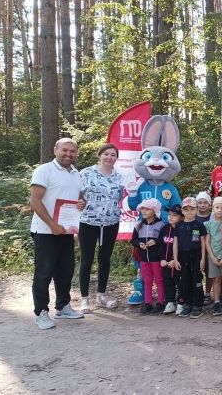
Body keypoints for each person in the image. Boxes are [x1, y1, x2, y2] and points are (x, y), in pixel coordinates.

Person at [30, 138, 84, 329]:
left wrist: (81, 203)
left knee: (65, 271)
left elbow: (77, 200)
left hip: (66, 231)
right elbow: (35, 201)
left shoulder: (77, 174)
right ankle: (41, 313)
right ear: (55, 150)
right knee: (44, 273)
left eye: (72, 151)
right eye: (64, 150)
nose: (68, 154)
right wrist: (52, 225)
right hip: (45, 231)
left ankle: (63, 307)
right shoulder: (44, 170)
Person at [77, 143, 124, 313]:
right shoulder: (86, 173)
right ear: (99, 155)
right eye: (106, 154)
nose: (109, 157)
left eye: (113, 155)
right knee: (86, 260)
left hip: (111, 222)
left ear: (116, 158)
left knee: (105, 259)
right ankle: (84, 299)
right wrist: (79, 203)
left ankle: (101, 295)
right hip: (88, 222)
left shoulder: (119, 177)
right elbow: (77, 194)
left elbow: (119, 197)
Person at [131, 199, 166, 315]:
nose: (144, 211)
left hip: (156, 258)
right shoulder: (138, 225)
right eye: (142, 209)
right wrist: (139, 244)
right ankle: (148, 303)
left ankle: (161, 302)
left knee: (159, 280)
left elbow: (164, 240)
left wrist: (155, 241)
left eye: (147, 209)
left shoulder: (161, 225)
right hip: (143, 259)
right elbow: (133, 240)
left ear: (154, 211)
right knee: (147, 281)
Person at [175, 197, 207, 319]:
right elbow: (175, 243)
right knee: (185, 280)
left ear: (196, 210)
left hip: (196, 256)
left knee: (196, 280)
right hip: (183, 256)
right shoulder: (179, 226)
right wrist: (176, 259)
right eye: (186, 209)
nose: (189, 212)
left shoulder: (198, 225)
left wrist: (203, 259)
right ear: (182, 211)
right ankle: (187, 304)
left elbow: (202, 242)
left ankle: (197, 305)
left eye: (192, 209)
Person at [205, 197, 222, 317]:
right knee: (216, 279)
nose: (220, 210)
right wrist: (211, 257)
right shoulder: (208, 224)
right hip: (213, 257)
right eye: (217, 207)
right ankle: (216, 302)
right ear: (212, 207)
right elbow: (207, 242)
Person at [159, 204, 183, 315]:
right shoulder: (164, 229)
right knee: (168, 282)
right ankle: (170, 302)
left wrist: (176, 260)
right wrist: (162, 259)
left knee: (181, 283)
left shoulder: (183, 228)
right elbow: (160, 246)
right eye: (169, 214)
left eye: (174, 215)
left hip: (178, 263)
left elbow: (184, 247)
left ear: (181, 217)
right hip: (166, 263)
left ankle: (181, 303)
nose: (171, 217)